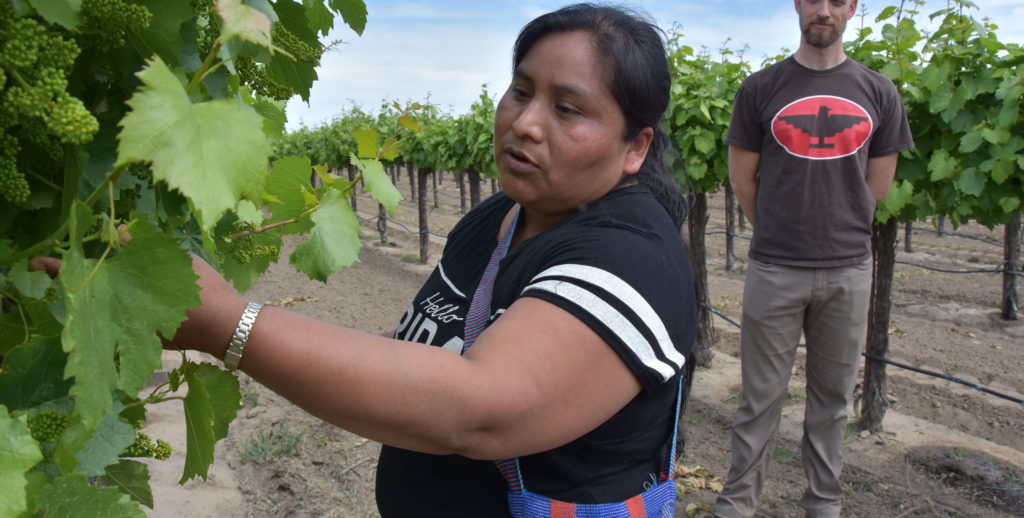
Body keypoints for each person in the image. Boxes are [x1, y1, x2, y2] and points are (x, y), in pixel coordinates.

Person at [30, 4, 695, 517]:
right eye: (521, 91)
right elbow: (424, 357)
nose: (525, 122)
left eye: (568, 108)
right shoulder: (499, 219)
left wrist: (227, 326)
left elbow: (480, 410)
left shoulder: (629, 255)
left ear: (635, 147)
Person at [712, 1, 914, 517]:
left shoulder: (879, 92)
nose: (823, 10)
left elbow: (879, 184)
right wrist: (782, 233)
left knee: (832, 404)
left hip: (849, 271)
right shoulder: (760, 89)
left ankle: (823, 505)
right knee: (758, 402)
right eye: (813, 0)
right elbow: (742, 180)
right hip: (775, 269)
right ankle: (738, 505)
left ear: (852, 8)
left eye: (836, 0)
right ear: (798, 5)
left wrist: (838, 229)